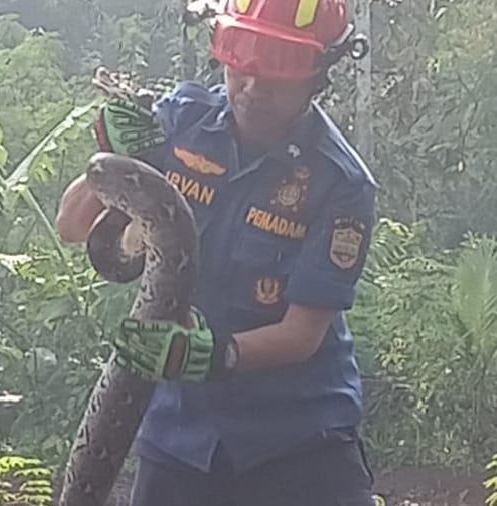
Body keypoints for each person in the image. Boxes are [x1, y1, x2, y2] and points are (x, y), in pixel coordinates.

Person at [55, 0, 378, 504]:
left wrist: (213, 354)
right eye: (243, 64)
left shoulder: (340, 181)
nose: (252, 86)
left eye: (276, 73)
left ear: (316, 77)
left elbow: (302, 334)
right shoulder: (181, 122)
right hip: (182, 436)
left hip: (300, 442)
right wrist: (116, 157)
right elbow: (72, 226)